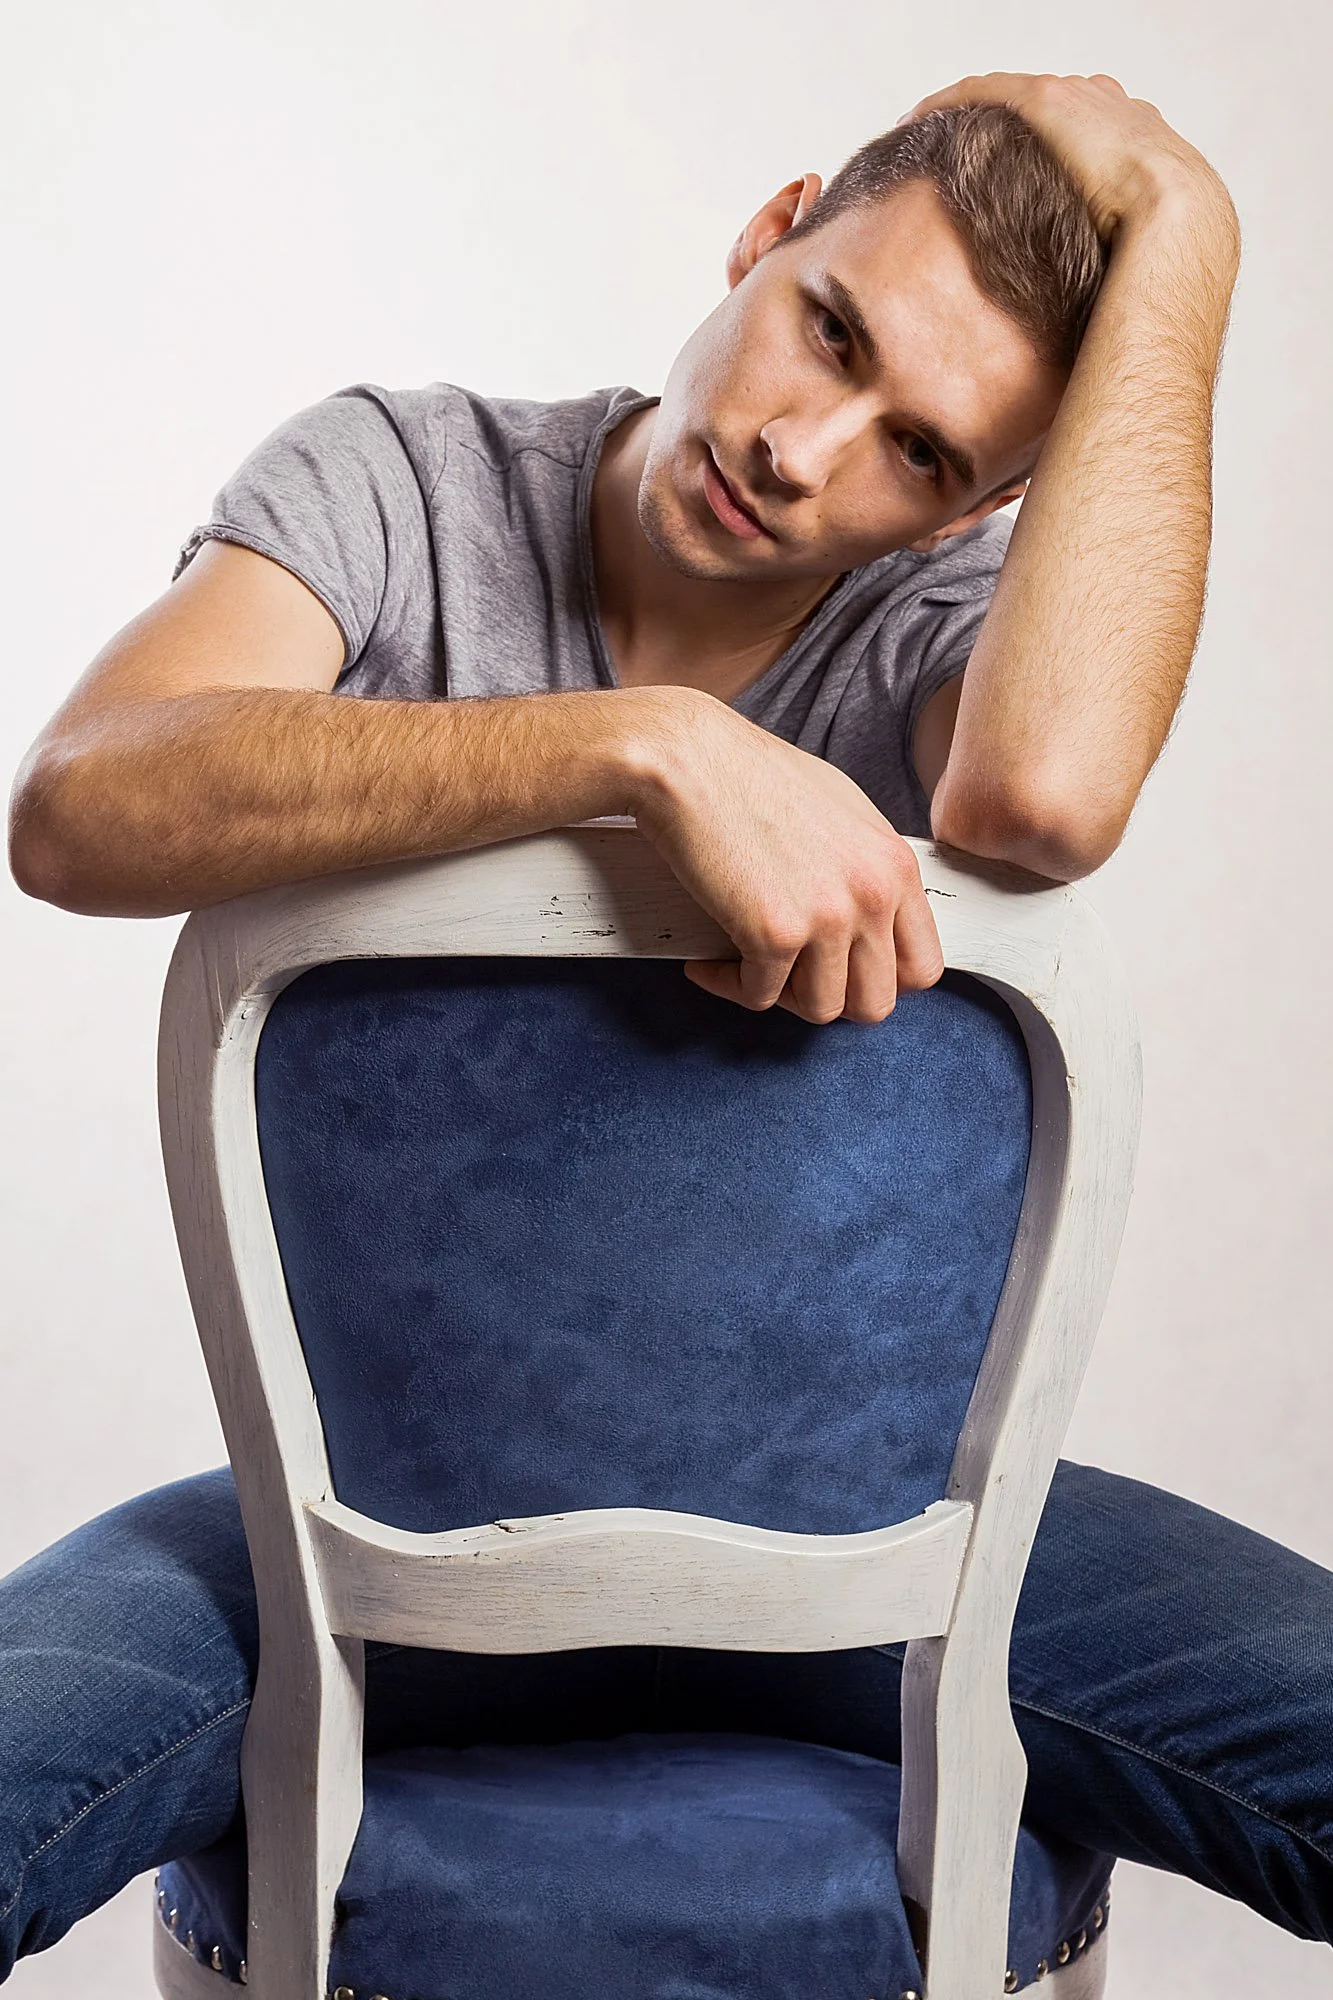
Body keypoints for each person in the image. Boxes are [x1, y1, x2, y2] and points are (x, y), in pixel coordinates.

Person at [4, 66, 1331, 1981]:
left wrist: (1189, 230)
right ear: (770, 227)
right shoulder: (405, 479)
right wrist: (638, 748)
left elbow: (1044, 796)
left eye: (925, 455)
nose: (811, 451)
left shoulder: (936, 637)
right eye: (833, 329)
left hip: (877, 1562)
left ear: (990, 507)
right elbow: (83, 801)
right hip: (348, 1553)